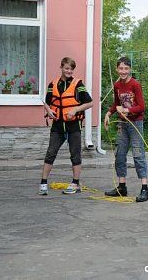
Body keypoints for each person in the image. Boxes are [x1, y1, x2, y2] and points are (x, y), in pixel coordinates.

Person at [39, 57, 93, 195]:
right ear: (61, 67)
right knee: (50, 153)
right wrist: (49, 110)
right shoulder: (53, 84)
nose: (69, 71)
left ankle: (75, 184)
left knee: (75, 155)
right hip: (57, 126)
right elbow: (46, 102)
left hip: (73, 126)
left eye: (71, 69)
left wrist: (75, 110)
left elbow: (89, 103)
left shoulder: (78, 84)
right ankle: (43, 183)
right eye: (66, 68)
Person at [103, 57, 148, 202]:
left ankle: (145, 189)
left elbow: (141, 107)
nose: (123, 71)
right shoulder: (117, 85)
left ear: (130, 69)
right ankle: (122, 187)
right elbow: (116, 103)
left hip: (135, 123)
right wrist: (109, 113)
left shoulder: (135, 84)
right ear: (117, 69)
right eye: (121, 68)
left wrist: (127, 110)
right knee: (120, 154)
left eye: (126, 69)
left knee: (138, 154)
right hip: (122, 124)